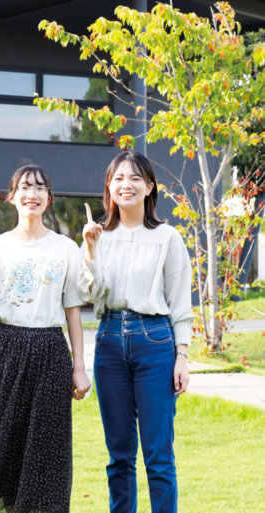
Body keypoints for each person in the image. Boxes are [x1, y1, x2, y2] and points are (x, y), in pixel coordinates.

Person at [0, 164, 91, 513]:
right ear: (12, 197)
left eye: (40, 187)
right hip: (6, 350)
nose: (32, 193)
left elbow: (73, 308)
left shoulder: (66, 248)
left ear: (49, 198)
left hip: (50, 351)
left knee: (44, 455)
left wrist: (79, 368)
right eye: (25, 187)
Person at [78, 150, 192, 513]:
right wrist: (92, 251)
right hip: (109, 342)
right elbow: (89, 294)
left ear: (149, 187)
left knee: (158, 455)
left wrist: (183, 356)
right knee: (119, 457)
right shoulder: (96, 236)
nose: (125, 185)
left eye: (134, 178)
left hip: (155, 342)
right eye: (118, 179)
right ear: (109, 188)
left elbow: (179, 301)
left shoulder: (167, 238)